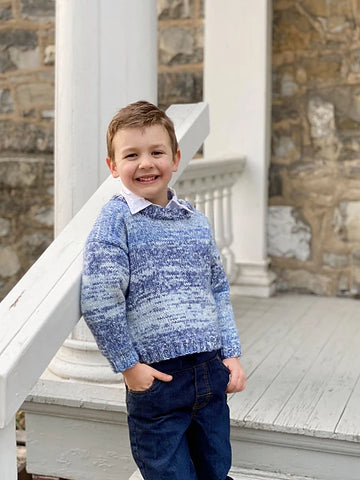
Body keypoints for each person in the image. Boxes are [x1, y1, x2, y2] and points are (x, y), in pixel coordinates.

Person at [81, 100, 246, 480]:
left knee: (216, 468)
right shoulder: (115, 220)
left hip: (209, 371)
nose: (145, 163)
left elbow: (217, 290)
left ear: (175, 158)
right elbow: (99, 298)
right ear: (112, 166)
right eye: (131, 155)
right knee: (170, 474)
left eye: (156, 152)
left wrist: (231, 353)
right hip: (158, 380)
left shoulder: (195, 221)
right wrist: (128, 366)